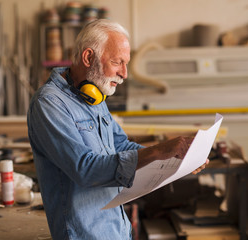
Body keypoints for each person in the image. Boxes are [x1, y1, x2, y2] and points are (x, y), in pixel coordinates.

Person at [27, 19, 208, 240]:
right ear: (88, 58)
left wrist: (174, 160)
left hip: (116, 229)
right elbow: (85, 168)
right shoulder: (49, 103)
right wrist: (159, 150)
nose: (125, 73)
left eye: (126, 63)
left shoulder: (92, 95)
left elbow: (120, 144)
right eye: (117, 62)